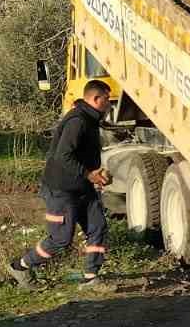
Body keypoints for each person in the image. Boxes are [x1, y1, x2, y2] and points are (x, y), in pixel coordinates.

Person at [9, 79, 113, 287]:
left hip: (82, 187)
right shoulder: (78, 121)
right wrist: (88, 174)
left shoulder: (91, 119)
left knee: (98, 227)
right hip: (61, 190)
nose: (110, 104)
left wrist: (97, 174)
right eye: (107, 99)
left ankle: (91, 277)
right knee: (61, 239)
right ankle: (20, 267)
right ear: (96, 98)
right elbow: (62, 156)